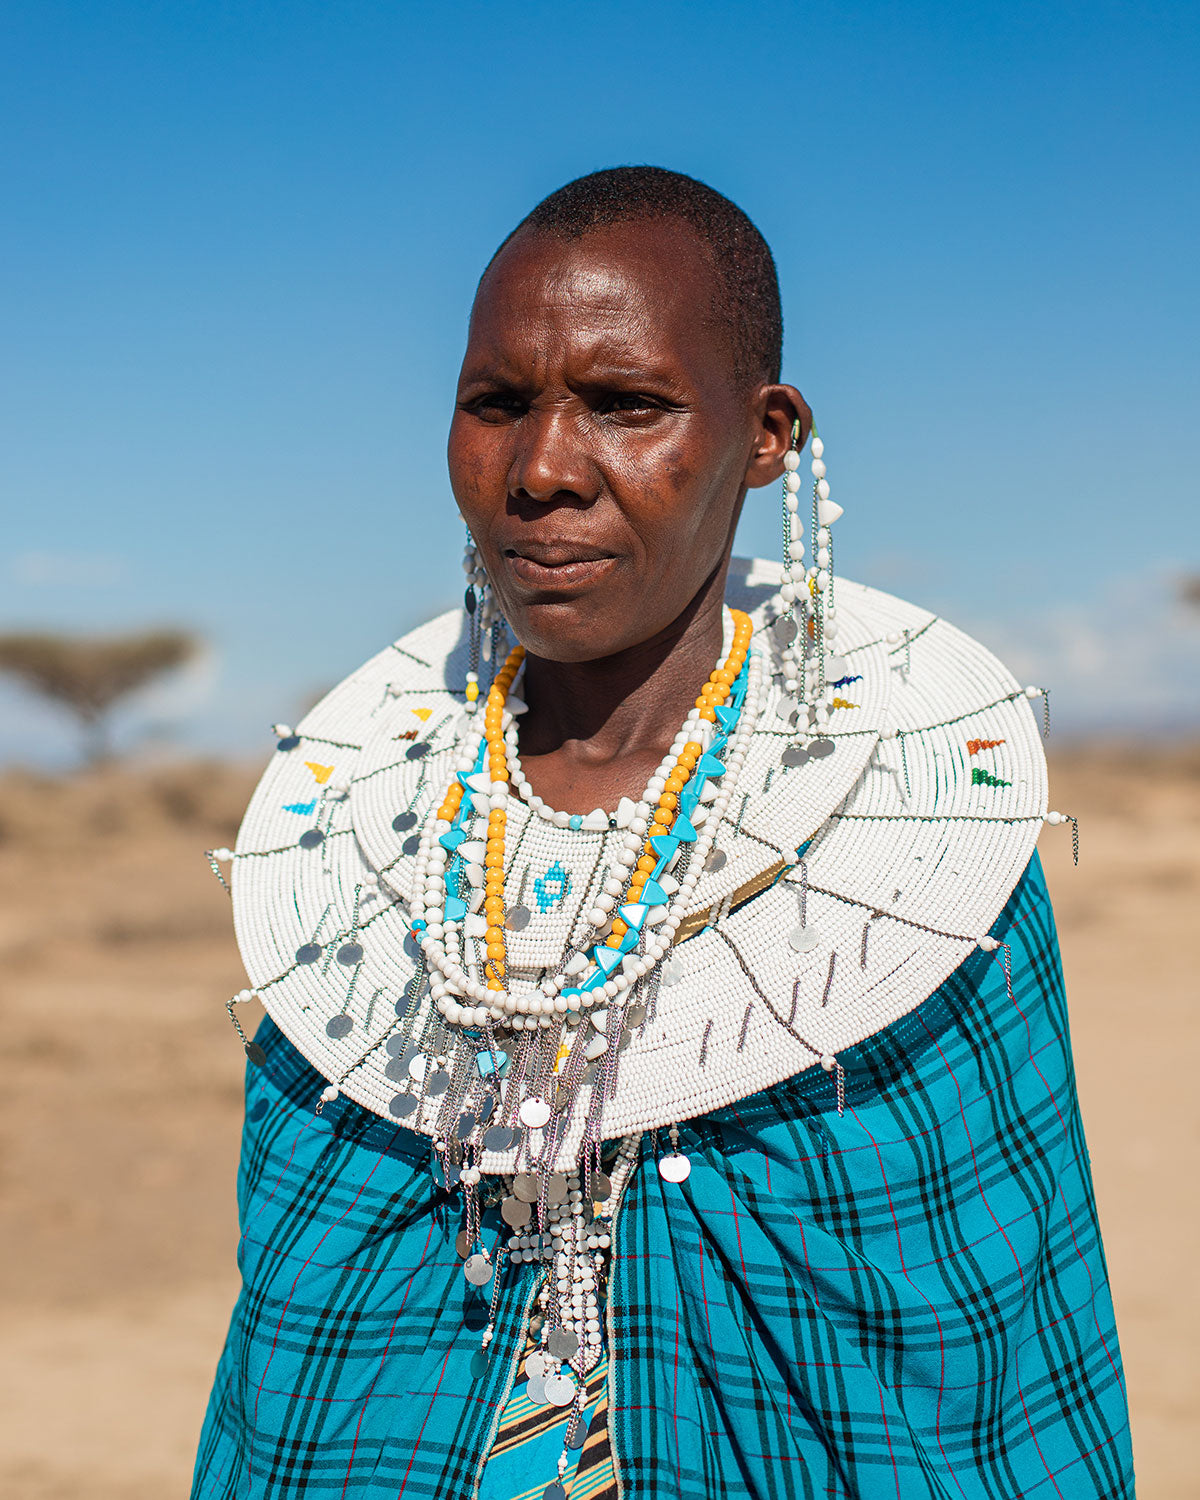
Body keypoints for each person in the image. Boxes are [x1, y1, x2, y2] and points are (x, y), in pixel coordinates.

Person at [192, 168, 1134, 1500]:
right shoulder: (358, 852)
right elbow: (295, 1351)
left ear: (768, 436)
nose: (543, 472)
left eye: (628, 405)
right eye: (497, 406)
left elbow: (979, 1369)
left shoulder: (898, 865)